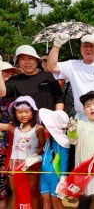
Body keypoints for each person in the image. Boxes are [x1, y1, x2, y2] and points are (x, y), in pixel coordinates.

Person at [46, 33, 94, 120]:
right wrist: (57, 45)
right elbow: (51, 67)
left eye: (91, 46)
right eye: (85, 46)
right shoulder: (72, 65)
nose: (88, 49)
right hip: (82, 117)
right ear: (80, 48)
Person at [0, 96, 46, 209]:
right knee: (16, 192)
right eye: (19, 112)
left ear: (33, 112)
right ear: (14, 113)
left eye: (26, 111)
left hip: (31, 164)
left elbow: (44, 146)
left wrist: (35, 156)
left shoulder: (38, 128)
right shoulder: (13, 127)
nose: (23, 115)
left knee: (33, 191)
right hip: (15, 165)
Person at [0, 45, 64, 111]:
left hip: (48, 119)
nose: (27, 62)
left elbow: (59, 99)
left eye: (30, 58)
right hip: (25, 120)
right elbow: (2, 93)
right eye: (22, 59)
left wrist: (58, 114)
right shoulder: (14, 80)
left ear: (36, 60)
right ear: (18, 63)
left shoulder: (49, 76)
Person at [0, 61, 22, 208]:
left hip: (17, 140)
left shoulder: (16, 92)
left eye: (11, 72)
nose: (8, 74)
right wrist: (7, 127)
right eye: (4, 72)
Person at [38, 108, 70, 209]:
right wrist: (36, 158)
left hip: (56, 178)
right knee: (46, 202)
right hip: (44, 176)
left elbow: (65, 162)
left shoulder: (64, 143)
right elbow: (45, 156)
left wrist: (63, 180)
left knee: (56, 202)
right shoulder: (49, 139)